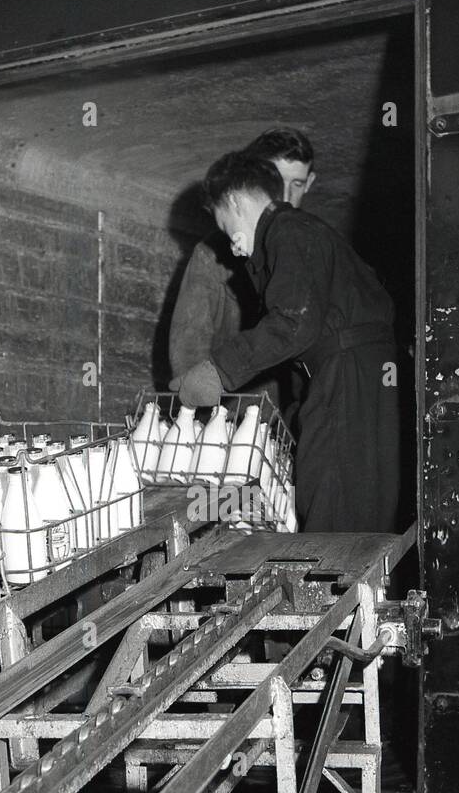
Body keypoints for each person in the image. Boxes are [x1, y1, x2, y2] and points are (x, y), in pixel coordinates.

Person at [176, 153, 400, 534]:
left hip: (347, 376)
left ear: (234, 201)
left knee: (333, 500)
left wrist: (218, 371)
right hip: (355, 375)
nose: (232, 245)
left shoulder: (290, 231)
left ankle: (330, 589)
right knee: (351, 502)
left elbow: (293, 321)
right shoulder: (299, 233)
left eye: (223, 223)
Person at [168, 127, 316, 411]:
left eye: (296, 184)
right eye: (275, 180)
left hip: (297, 425)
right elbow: (188, 349)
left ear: (309, 183)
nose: (284, 194)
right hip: (231, 420)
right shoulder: (211, 256)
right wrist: (203, 420)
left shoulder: (313, 247)